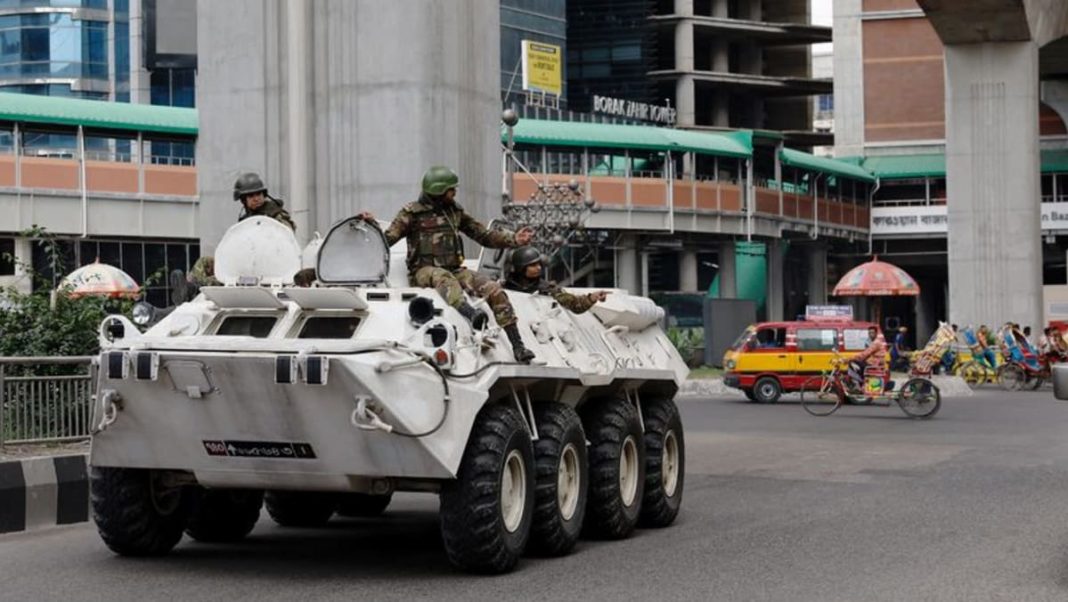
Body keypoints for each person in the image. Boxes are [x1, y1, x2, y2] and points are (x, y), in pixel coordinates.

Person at [357, 166, 537, 363]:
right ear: (439, 191)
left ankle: (518, 345)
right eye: (451, 189)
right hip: (424, 271)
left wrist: (514, 239)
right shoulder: (411, 213)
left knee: (494, 289)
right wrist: (372, 226)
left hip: (455, 269)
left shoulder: (455, 212)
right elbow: (387, 240)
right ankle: (469, 313)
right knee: (444, 278)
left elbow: (483, 236)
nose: (454, 193)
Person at [175, 173, 297, 301]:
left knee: (226, 279)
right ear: (243, 200)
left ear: (264, 195)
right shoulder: (245, 220)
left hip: (269, 265)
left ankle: (198, 288)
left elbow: (287, 238)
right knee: (205, 262)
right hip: (246, 262)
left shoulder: (276, 215)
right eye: (251, 196)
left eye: (258, 194)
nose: (256, 198)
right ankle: (188, 289)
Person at [504, 246, 607, 313]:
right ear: (521, 268)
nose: (539, 268)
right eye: (533, 265)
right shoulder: (506, 286)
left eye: (539, 264)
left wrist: (591, 298)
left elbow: (575, 304)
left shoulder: (548, 289)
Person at [848, 325, 886, 390]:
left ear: (876, 333)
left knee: (852, 362)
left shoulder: (876, 343)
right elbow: (866, 353)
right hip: (872, 362)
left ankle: (861, 381)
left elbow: (866, 353)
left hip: (874, 364)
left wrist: (850, 358)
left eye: (872, 333)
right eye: (869, 333)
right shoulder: (872, 342)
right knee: (857, 363)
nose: (871, 334)